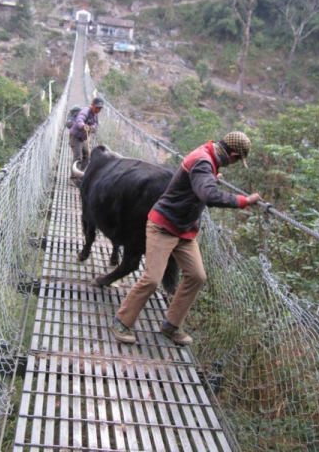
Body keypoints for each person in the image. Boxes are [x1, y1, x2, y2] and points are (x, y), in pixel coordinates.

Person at [110, 131, 263, 346]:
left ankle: (171, 325)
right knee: (153, 278)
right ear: (234, 155)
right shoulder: (203, 161)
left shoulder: (209, 159)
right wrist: (244, 201)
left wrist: (212, 178)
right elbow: (208, 195)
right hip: (163, 226)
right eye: (238, 160)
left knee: (197, 276)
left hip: (184, 230)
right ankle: (121, 322)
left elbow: (199, 182)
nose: (236, 164)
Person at [69, 97, 104, 180]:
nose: (98, 110)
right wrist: (83, 125)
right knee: (78, 157)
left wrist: (92, 127)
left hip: (83, 138)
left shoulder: (95, 115)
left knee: (87, 157)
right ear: (92, 105)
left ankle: (79, 174)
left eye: (100, 108)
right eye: (97, 107)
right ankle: (73, 178)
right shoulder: (86, 111)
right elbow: (80, 119)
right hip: (75, 137)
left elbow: (96, 124)